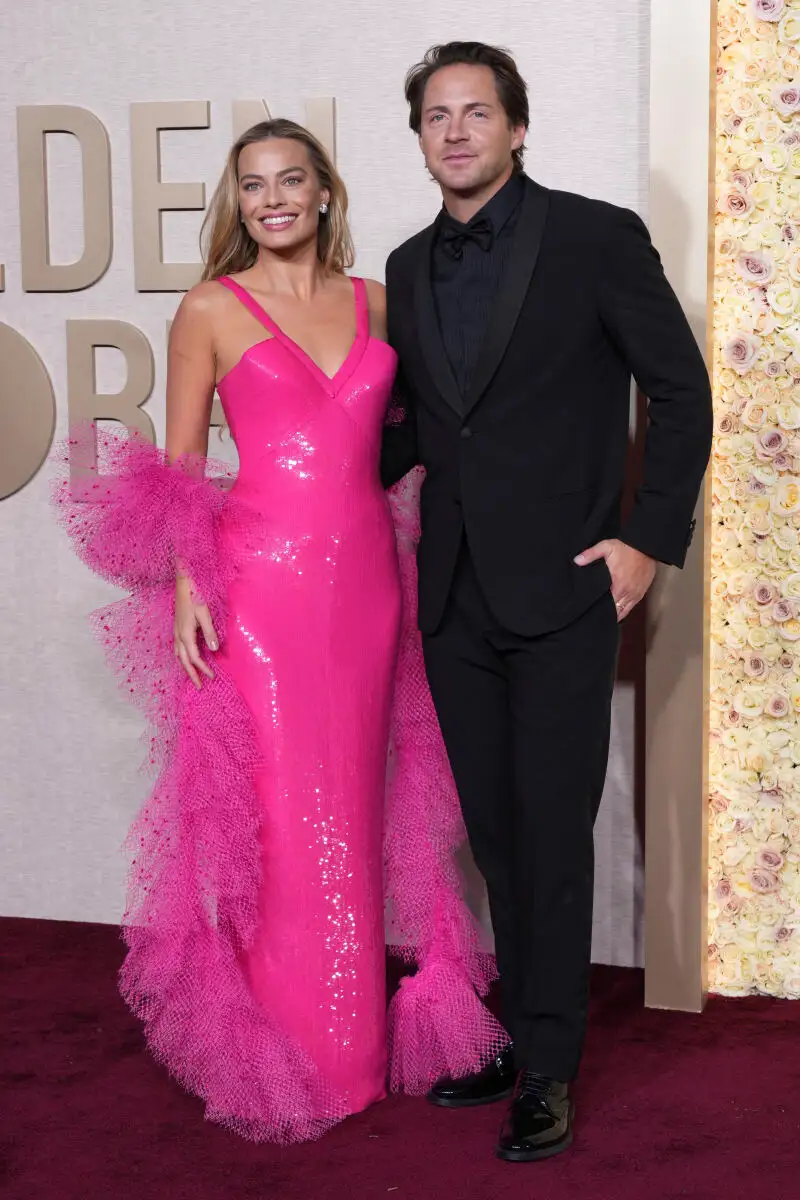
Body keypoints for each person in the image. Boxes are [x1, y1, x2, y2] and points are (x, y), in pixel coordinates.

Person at [53, 118, 506, 1144]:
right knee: (281, 817)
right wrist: (183, 586)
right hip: (258, 595)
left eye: (289, 181)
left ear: (322, 193)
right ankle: (285, 1053)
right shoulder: (210, 307)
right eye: (253, 186)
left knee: (354, 807)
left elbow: (435, 434)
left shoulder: (379, 304)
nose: (272, 201)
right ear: (238, 202)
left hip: (366, 594)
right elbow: (174, 470)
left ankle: (352, 1053)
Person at [381, 42, 713, 1163]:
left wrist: (645, 543)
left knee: (550, 834)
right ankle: (522, 1039)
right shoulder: (401, 264)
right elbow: (420, 430)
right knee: (493, 836)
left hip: (568, 589)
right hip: (455, 598)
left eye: (478, 112)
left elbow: (677, 387)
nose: (457, 129)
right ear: (419, 137)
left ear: (516, 129)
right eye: (437, 114)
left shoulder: (593, 234)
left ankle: (551, 1070)